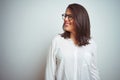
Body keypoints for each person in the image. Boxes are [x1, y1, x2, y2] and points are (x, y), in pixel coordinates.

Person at [45, 3, 100, 80]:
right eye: (65, 16)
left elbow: (94, 72)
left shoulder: (91, 44)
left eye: (69, 16)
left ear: (80, 19)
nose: (65, 19)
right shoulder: (57, 41)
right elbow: (49, 74)